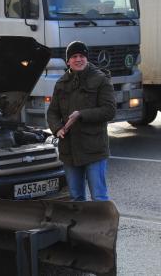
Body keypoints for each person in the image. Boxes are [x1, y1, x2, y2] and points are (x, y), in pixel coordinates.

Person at [47, 41, 116, 201]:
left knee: (99, 197)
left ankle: (101, 226)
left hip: (94, 149)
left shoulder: (101, 79)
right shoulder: (61, 83)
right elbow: (52, 112)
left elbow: (110, 111)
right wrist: (57, 128)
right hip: (69, 150)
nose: (79, 59)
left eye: (82, 56)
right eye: (74, 57)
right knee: (76, 197)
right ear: (68, 61)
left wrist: (81, 114)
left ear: (87, 58)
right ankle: (79, 226)